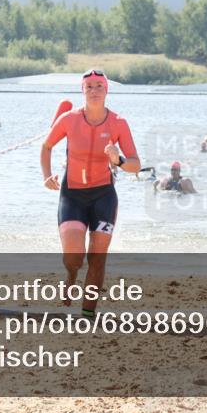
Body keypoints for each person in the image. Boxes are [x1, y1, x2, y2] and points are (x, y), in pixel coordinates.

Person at [41, 70, 140, 318]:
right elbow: (47, 146)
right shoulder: (68, 119)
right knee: (74, 256)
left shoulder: (118, 123)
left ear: (107, 90)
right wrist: (47, 175)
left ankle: (87, 314)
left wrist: (118, 160)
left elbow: (135, 165)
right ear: (82, 91)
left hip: (103, 197)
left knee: (97, 257)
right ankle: (71, 275)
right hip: (72, 196)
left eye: (99, 86)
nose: (94, 90)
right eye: (89, 87)